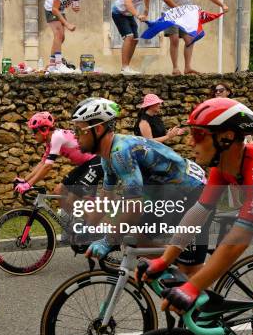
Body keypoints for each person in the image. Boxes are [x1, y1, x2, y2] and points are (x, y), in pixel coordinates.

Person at [135, 98, 253, 335]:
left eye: (198, 135)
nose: (189, 142)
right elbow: (199, 212)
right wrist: (164, 260)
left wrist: (193, 286)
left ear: (226, 137)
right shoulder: (223, 167)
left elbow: (239, 239)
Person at [70, 97, 209, 276]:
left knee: (190, 270)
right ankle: (171, 266)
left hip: (192, 190)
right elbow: (106, 198)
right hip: (165, 192)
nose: (75, 136)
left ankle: (187, 270)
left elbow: (134, 206)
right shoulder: (107, 157)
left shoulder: (121, 152)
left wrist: (107, 240)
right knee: (133, 239)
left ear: (97, 129)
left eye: (79, 130)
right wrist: (88, 229)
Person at [14, 112, 104, 243]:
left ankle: (95, 228)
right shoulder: (50, 141)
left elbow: (47, 167)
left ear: (44, 130)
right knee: (58, 191)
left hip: (96, 162)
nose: (33, 135)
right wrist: (25, 180)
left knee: (73, 197)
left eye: (35, 132)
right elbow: (42, 163)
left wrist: (29, 184)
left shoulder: (56, 137)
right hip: (86, 164)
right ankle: (71, 228)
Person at [163, 0, 228, 75]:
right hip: (170, 13)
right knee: (174, 39)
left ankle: (187, 68)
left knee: (190, 39)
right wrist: (180, 10)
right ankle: (175, 68)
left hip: (184, 15)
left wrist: (222, 5)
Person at [111, 0, 157, 75]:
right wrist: (138, 15)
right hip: (119, 13)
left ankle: (127, 67)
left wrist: (146, 9)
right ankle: (124, 68)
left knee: (135, 39)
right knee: (129, 37)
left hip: (128, 14)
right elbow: (128, 3)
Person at [43, 0, 87, 74]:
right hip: (51, 8)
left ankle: (52, 65)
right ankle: (58, 64)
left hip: (61, 9)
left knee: (61, 38)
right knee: (58, 34)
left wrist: (75, 6)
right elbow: (54, 9)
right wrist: (67, 24)